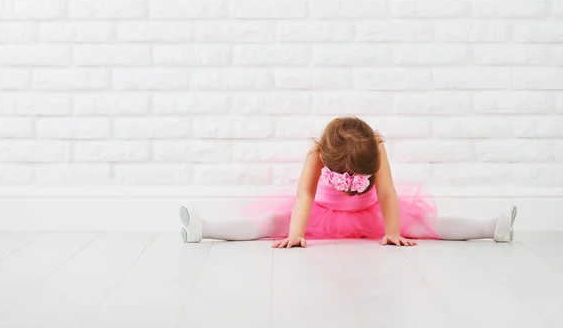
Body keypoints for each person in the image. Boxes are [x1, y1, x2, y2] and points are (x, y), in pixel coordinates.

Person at [179, 116, 517, 248]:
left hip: (370, 213)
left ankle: (493, 227)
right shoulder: (316, 154)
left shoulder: (377, 149)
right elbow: (304, 197)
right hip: (321, 213)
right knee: (269, 222)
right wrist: (296, 233)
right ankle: (204, 227)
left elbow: (386, 192)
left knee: (428, 224)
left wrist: (393, 230)